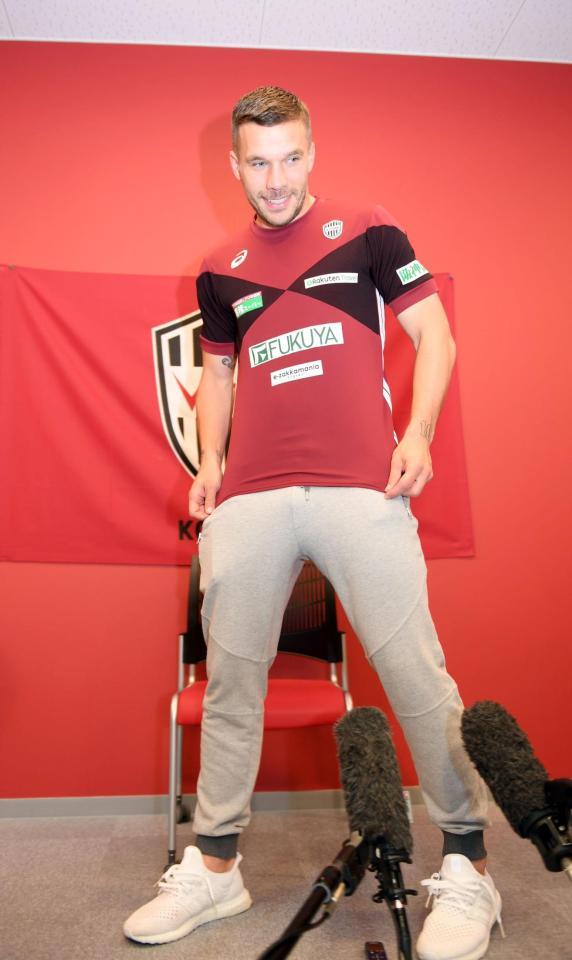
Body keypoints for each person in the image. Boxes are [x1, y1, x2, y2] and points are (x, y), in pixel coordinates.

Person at [124, 86, 504, 960]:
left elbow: (434, 335)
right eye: (259, 162)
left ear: (312, 153)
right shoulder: (219, 268)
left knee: (416, 676)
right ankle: (215, 867)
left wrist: (418, 432)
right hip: (252, 497)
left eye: (291, 157)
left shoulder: (367, 229)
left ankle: (470, 865)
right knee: (232, 685)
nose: (277, 179)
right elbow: (218, 376)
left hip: (359, 489)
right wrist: (210, 464)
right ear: (234, 166)